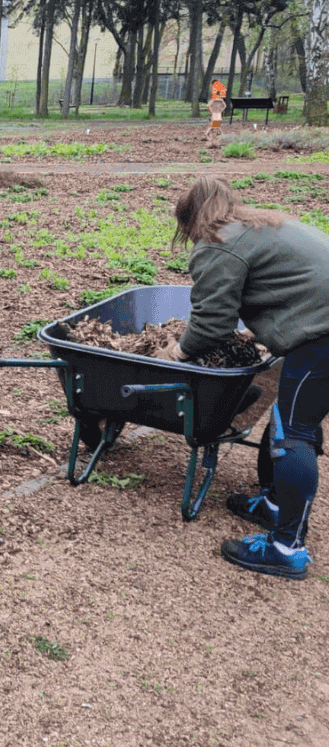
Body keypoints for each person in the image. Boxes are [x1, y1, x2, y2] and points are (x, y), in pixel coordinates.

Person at [155, 175, 329, 580]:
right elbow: (294, 281)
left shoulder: (217, 244)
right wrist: (264, 325)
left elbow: (212, 323)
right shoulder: (263, 224)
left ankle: (287, 548)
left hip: (322, 336)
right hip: (320, 324)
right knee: (293, 418)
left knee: (295, 432)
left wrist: (177, 352)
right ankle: (273, 504)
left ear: (189, 219)